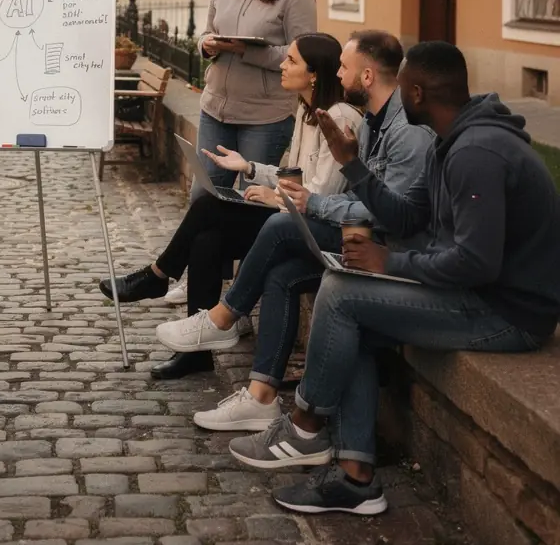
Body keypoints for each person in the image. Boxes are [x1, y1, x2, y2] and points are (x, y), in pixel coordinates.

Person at [226, 42, 560, 517]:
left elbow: (476, 263)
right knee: (347, 306)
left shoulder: (477, 153)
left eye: (403, 88)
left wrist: (389, 264)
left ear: (419, 93)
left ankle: (303, 428)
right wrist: (352, 165)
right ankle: (357, 478)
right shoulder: (451, 142)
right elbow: (405, 219)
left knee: (342, 296)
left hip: (507, 311)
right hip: (476, 291)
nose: (397, 98)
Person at [188, 31, 433, 431]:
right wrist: (255, 171)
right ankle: (260, 396)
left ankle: (223, 316)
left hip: (386, 248)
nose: (338, 73)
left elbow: (390, 215)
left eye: (345, 68)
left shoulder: (400, 131)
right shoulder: (372, 119)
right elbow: (351, 194)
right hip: (358, 230)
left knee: (280, 224)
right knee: (279, 273)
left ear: (367, 76)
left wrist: (311, 203)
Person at [100, 33, 361, 380]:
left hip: (310, 227)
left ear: (314, 74)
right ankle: (196, 355)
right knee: (206, 241)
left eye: (291, 60)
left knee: (209, 208)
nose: (282, 65)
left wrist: (272, 196)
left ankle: (158, 275)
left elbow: (318, 195)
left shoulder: (339, 118)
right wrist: (249, 168)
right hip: (290, 215)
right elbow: (293, 176)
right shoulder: (306, 110)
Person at [194, 0, 317, 197]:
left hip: (265, 117)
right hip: (215, 110)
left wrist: (248, 51)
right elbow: (206, 31)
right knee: (204, 200)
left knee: (252, 203)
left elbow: (303, 54)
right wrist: (206, 45)